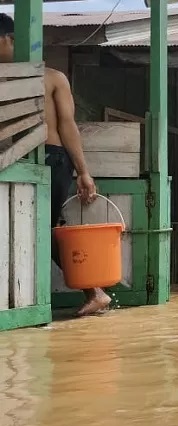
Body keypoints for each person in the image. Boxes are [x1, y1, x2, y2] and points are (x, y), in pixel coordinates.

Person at [0, 14, 108, 316]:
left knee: (44, 229)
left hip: (51, 158)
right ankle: (94, 292)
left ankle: (94, 290)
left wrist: (84, 171)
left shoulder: (52, 78)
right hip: (14, 161)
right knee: (47, 228)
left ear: (10, 39)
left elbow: (67, 126)